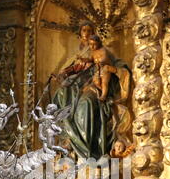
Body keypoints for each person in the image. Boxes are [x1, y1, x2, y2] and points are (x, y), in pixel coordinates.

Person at [52, 23, 132, 160]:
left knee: (86, 104)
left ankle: (88, 151)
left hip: (95, 85)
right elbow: (73, 68)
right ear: (80, 33)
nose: (86, 33)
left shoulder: (103, 51)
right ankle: (67, 137)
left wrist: (110, 69)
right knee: (60, 93)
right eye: (84, 30)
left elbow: (118, 68)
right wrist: (63, 74)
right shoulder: (79, 54)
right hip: (78, 85)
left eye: (90, 31)